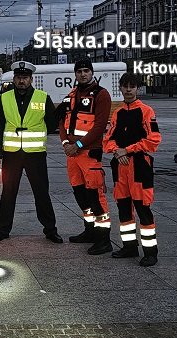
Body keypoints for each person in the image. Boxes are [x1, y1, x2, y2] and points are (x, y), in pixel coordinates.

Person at [0, 61, 63, 243]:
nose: (21, 80)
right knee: (8, 193)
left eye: (25, 77)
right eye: (19, 77)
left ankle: (50, 229)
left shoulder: (42, 97)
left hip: (35, 154)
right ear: (14, 79)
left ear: (31, 79)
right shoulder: (4, 98)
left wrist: (61, 111)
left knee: (42, 193)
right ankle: (2, 229)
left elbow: (52, 124)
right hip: (11, 153)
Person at [103, 73, 162, 266]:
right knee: (123, 208)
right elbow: (107, 141)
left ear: (138, 89)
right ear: (120, 88)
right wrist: (117, 152)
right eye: (125, 86)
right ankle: (129, 247)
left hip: (139, 167)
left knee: (143, 209)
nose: (128, 90)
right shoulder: (118, 113)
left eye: (132, 86)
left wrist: (126, 150)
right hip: (120, 168)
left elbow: (153, 141)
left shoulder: (146, 111)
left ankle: (150, 252)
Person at [59, 59, 113, 255]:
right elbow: (62, 122)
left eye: (86, 71)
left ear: (92, 73)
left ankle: (104, 240)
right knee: (80, 195)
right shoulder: (72, 95)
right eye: (79, 71)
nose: (83, 74)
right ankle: (89, 231)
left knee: (96, 197)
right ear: (75, 74)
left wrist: (78, 145)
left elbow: (99, 127)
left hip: (89, 154)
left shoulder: (101, 94)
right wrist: (66, 144)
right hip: (72, 155)